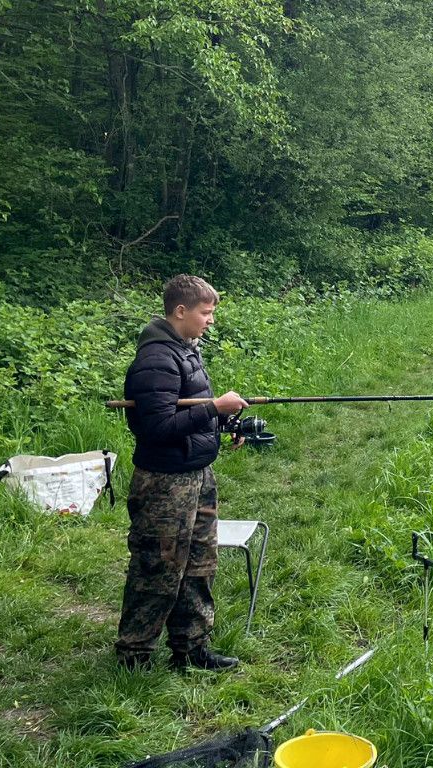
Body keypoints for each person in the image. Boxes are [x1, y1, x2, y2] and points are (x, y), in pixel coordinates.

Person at [116, 274, 248, 672]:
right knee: (157, 568)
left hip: (198, 474)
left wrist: (224, 424)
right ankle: (134, 657)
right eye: (205, 313)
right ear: (180, 311)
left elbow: (188, 412)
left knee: (199, 565)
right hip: (165, 483)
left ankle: (191, 648)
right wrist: (213, 408)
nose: (210, 320)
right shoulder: (155, 359)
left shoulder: (185, 351)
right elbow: (156, 428)